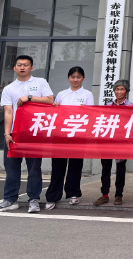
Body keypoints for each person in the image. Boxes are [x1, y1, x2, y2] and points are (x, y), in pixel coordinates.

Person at [0, 55, 54, 214]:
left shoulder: (40, 82)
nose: (22, 67)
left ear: (31, 67)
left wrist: (30, 97)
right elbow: (8, 112)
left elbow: (50, 100)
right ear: (14, 68)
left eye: (26, 65)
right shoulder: (9, 88)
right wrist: (7, 134)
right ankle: (10, 200)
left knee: (34, 168)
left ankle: (34, 199)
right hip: (14, 133)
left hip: (34, 133)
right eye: (19, 65)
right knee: (12, 168)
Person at [45, 66, 95, 210]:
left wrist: (85, 109)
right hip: (61, 135)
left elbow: (91, 114)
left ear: (83, 78)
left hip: (78, 134)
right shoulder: (62, 94)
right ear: (68, 78)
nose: (75, 80)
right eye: (73, 77)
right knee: (58, 167)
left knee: (75, 165)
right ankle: (53, 196)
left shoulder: (87, 94)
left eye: (78, 77)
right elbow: (55, 113)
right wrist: (55, 106)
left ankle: (73, 193)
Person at [93, 79, 133, 207]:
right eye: (117, 89)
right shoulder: (108, 105)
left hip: (122, 143)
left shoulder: (131, 106)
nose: (119, 91)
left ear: (126, 91)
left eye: (122, 89)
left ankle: (118, 195)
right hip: (107, 142)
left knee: (120, 170)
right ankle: (104, 194)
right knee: (106, 169)